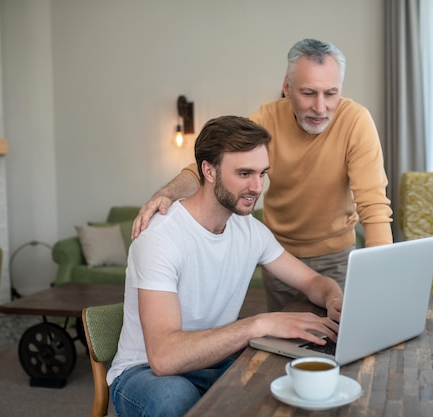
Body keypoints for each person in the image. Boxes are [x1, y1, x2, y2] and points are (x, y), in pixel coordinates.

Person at [132, 38, 392, 312]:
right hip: (279, 254)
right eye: (308, 93)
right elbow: (208, 166)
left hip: (336, 256)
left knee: (338, 338)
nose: (320, 107)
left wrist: (380, 277)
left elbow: (373, 205)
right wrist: (165, 194)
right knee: (285, 343)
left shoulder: (356, 121)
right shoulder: (266, 120)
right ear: (287, 88)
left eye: (330, 93)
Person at [108, 115, 343, 417]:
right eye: (245, 173)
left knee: (285, 383)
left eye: (262, 173)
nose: (257, 187)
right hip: (144, 373)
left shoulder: (250, 231)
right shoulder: (160, 237)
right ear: (208, 170)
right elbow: (164, 358)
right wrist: (259, 324)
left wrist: (334, 298)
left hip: (217, 362)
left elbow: (312, 283)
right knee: (173, 398)